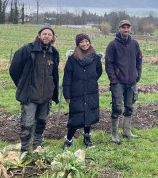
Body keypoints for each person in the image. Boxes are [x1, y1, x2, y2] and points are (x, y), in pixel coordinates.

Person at [9, 25, 60, 153]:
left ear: (53, 37)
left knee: (41, 122)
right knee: (27, 124)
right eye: (44, 34)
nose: (46, 36)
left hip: (46, 95)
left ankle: (37, 146)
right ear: (39, 35)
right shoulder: (27, 49)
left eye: (49, 34)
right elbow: (14, 69)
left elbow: (54, 74)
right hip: (30, 95)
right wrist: (21, 84)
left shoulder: (54, 53)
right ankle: (25, 149)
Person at [105, 20, 143, 144]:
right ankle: (114, 135)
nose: (126, 30)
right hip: (118, 82)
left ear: (130, 29)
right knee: (117, 107)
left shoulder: (134, 44)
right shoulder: (112, 45)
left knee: (130, 107)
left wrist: (138, 74)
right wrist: (113, 80)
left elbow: (139, 60)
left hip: (131, 82)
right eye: (123, 28)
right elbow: (108, 63)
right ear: (119, 28)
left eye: (127, 28)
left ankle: (127, 131)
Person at [62, 33, 102, 149]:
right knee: (75, 116)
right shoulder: (72, 59)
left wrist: (90, 81)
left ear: (89, 42)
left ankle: (87, 138)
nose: (84, 44)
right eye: (81, 42)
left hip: (91, 91)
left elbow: (98, 72)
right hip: (76, 93)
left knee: (89, 114)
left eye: (86, 41)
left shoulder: (95, 58)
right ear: (78, 44)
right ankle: (68, 140)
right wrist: (67, 94)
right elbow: (67, 78)